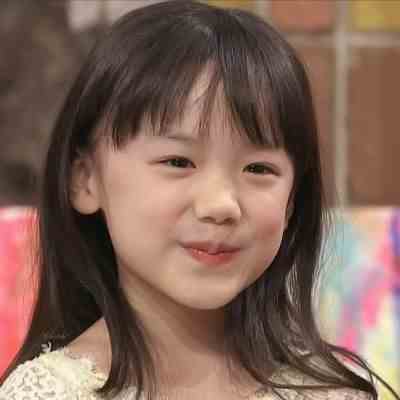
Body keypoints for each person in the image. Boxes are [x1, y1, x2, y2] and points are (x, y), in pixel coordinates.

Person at [0, 1, 398, 399]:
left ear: (292, 199)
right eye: (178, 162)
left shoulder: (331, 392)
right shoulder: (46, 393)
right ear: (85, 180)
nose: (221, 205)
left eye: (258, 169)